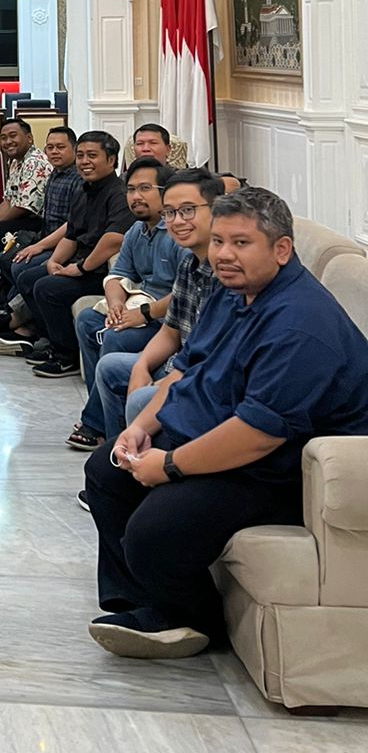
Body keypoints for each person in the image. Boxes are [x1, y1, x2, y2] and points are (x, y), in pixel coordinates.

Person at [84, 186, 368, 660]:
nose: (223, 254)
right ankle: (138, 603)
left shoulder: (299, 323)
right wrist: (142, 428)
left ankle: (195, 620)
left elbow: (258, 435)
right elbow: (184, 369)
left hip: (276, 470)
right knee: (105, 470)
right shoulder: (231, 292)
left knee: (154, 532)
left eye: (241, 243)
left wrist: (169, 465)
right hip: (217, 433)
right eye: (218, 241)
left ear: (281, 249)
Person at [91, 168, 223, 446]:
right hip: (177, 359)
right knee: (109, 366)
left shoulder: (228, 273)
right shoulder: (190, 264)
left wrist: (162, 382)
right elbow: (171, 331)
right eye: (170, 213)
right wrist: (142, 365)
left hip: (201, 376)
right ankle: (115, 442)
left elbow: (213, 362)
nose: (177, 221)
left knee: (138, 394)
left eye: (188, 210)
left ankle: (131, 452)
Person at [66, 160, 184, 450]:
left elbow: (184, 295)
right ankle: (101, 419)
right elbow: (117, 275)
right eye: (130, 190)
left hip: (163, 319)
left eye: (145, 188)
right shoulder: (136, 231)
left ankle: (97, 426)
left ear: (166, 192)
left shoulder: (178, 233)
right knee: (88, 321)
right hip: (138, 307)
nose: (135, 197)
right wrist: (116, 304)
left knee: (115, 337)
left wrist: (142, 315)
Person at [4, 131, 134, 378]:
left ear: (111, 160)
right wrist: (54, 261)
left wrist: (80, 268)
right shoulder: (83, 189)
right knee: (28, 277)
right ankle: (49, 340)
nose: (84, 161)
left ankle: (66, 357)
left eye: (92, 155)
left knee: (48, 288)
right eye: (80, 155)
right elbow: (71, 234)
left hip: (102, 271)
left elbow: (113, 240)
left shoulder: (119, 193)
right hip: (80, 262)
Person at [0, 117, 51, 290]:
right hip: (25, 213)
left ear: (29, 138)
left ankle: (10, 285)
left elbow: (25, 207)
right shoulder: (16, 161)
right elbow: (9, 199)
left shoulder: (34, 162)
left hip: (40, 220)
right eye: (3, 138)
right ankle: (5, 277)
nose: (8, 142)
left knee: (0, 229)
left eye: (13, 136)